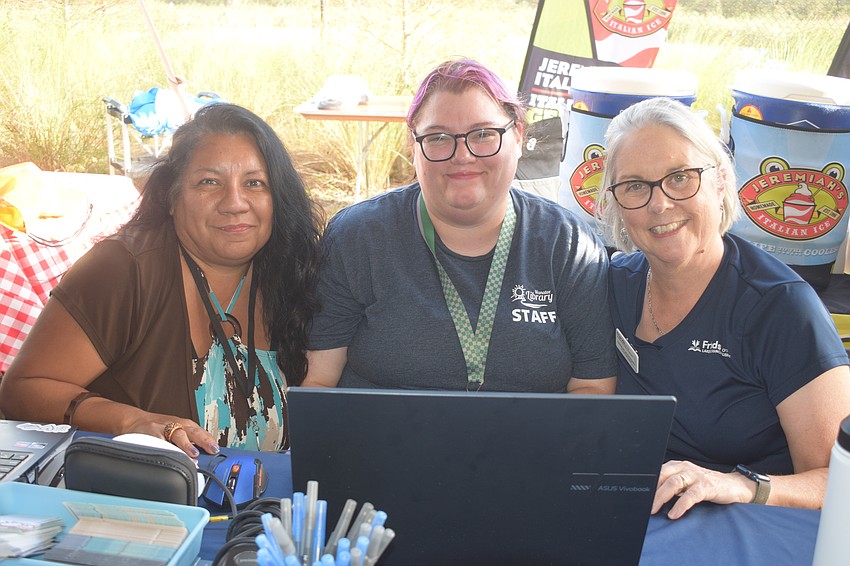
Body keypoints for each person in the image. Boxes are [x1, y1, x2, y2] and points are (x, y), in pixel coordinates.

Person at [0, 103, 323, 455]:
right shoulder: (123, 269)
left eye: (254, 183)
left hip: (266, 504)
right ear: (171, 196)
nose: (234, 202)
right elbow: (22, 390)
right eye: (209, 182)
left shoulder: (291, 272)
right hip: (142, 504)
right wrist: (131, 421)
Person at [595, 96, 850, 519]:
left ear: (720, 181)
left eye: (680, 177)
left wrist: (739, 485)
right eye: (636, 185)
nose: (659, 204)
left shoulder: (780, 307)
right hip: (633, 516)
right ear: (617, 203)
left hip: (747, 528)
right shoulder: (610, 284)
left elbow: (837, 479)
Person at [303, 58, 617, 394]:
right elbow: (320, 383)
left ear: (518, 137)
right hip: (382, 444)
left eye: (483, 134)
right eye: (438, 137)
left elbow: (592, 389)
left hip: (531, 445)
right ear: (414, 148)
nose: (463, 155)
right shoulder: (357, 238)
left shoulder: (569, 245)